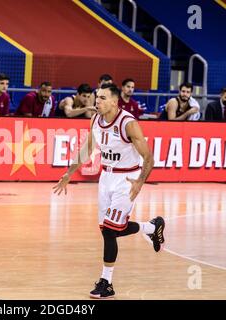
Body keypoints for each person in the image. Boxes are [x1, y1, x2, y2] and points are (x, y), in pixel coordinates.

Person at [53, 84, 165, 299]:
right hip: (106, 178)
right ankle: (151, 227)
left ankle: (107, 282)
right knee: (110, 228)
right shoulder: (95, 119)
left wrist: (140, 182)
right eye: (97, 97)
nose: (97, 101)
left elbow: (149, 157)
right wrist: (69, 173)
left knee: (110, 231)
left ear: (115, 101)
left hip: (126, 179)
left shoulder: (128, 123)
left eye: (103, 98)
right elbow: (87, 148)